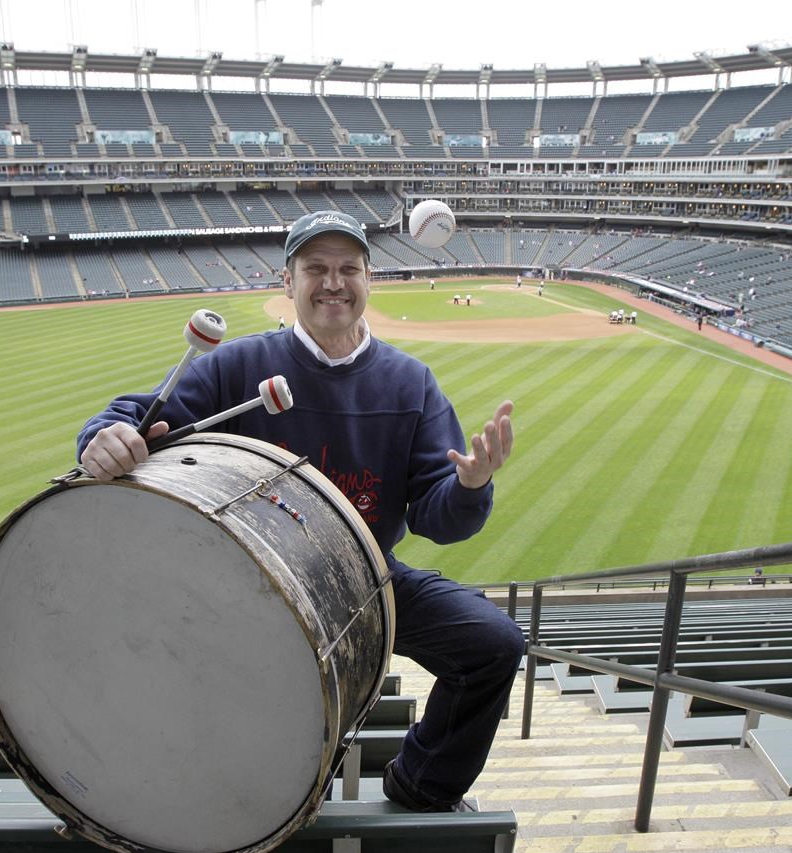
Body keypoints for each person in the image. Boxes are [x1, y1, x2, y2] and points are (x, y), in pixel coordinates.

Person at [78, 210, 523, 814]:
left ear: (369, 280)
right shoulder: (234, 366)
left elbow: (438, 520)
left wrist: (470, 486)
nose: (333, 283)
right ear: (288, 281)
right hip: (245, 579)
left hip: (364, 576)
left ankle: (422, 784)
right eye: (316, 268)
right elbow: (142, 417)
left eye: (349, 269)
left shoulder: (409, 383)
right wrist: (102, 436)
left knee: (493, 644)